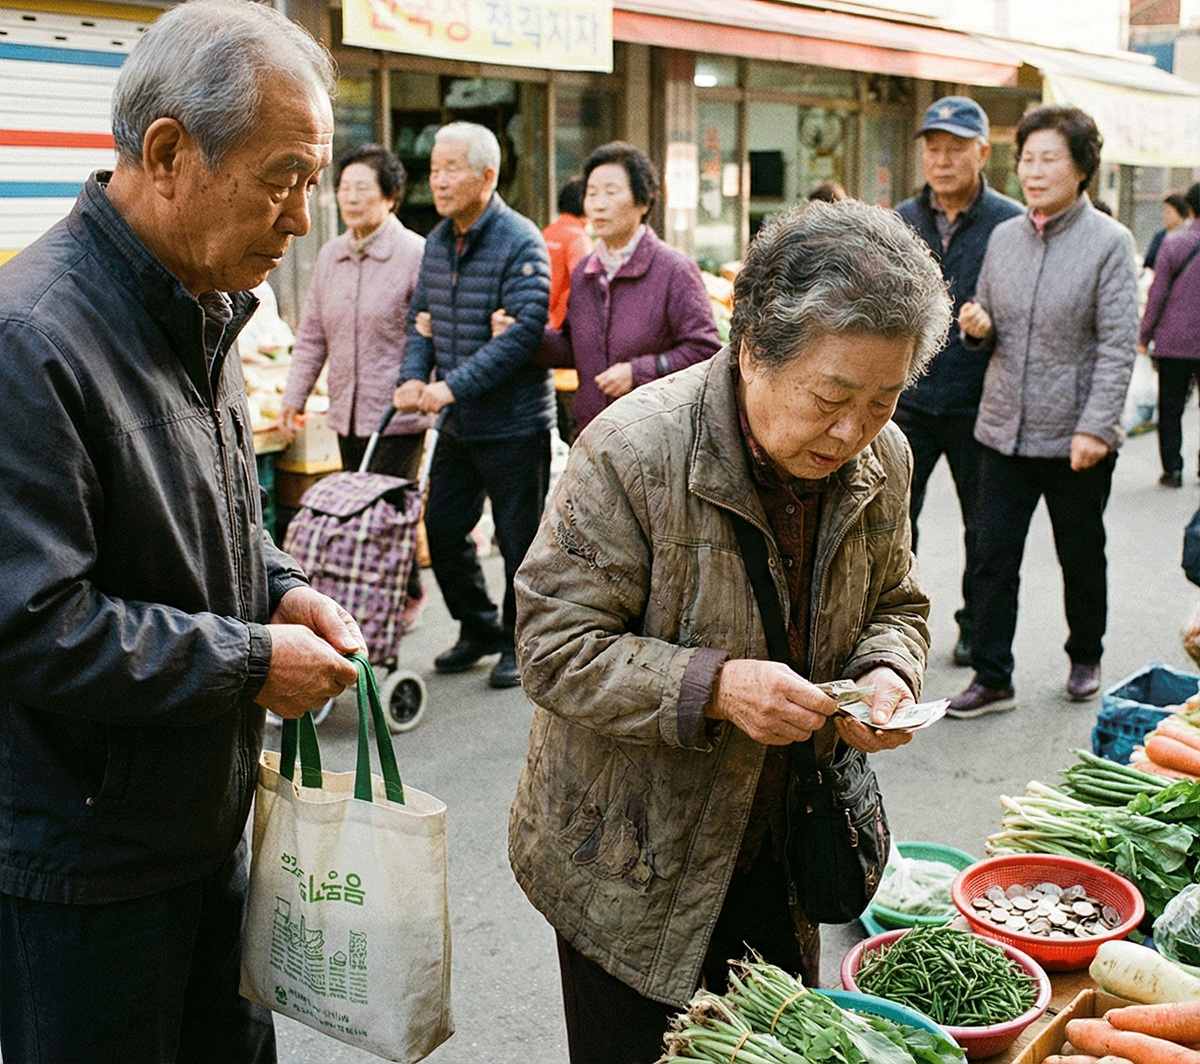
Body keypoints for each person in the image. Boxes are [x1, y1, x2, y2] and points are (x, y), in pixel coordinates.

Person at [0, 3, 364, 1061]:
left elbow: (210, 523)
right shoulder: (33, 339)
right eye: (284, 176)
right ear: (166, 153)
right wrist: (253, 660)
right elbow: (34, 622)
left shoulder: (194, 304)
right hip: (86, 870)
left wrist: (279, 585)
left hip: (205, 831)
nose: (302, 218)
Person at [509, 199, 952, 1064]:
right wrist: (715, 687)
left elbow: (898, 599)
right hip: (630, 861)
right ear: (751, 349)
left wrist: (887, 673)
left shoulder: (882, 458)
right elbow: (551, 650)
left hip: (786, 841)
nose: (852, 430)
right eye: (832, 397)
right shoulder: (632, 452)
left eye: (883, 399)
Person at [950, 106, 1138, 717]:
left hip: (1074, 436)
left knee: (1079, 554)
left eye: (1048, 158)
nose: (1033, 171)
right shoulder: (1004, 236)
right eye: (1026, 158)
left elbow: (1117, 345)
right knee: (992, 557)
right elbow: (987, 317)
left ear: (1081, 167)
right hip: (1002, 426)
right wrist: (977, 327)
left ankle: (1086, 655)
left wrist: (1096, 427)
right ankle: (992, 674)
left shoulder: (1110, 243)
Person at [394, 121, 553, 690]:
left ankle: (521, 643)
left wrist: (449, 386)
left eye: (450, 169)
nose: (437, 181)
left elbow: (523, 332)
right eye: (434, 170)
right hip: (459, 424)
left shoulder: (521, 240)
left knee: (520, 544)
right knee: (441, 527)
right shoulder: (437, 242)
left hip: (513, 423)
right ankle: (479, 626)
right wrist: (413, 377)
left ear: (487, 175)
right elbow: (421, 323)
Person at [894, 96, 1023, 668]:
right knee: (893, 522)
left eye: (955, 149)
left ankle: (975, 627)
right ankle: (893, 628)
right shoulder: (902, 219)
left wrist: (993, 324)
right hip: (909, 400)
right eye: (933, 149)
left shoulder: (1010, 224)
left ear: (983, 153)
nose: (942, 161)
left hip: (980, 400)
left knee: (984, 532)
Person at [280, 143, 432, 626]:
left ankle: (397, 601)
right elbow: (312, 337)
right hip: (346, 411)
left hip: (398, 415)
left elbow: (429, 335)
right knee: (361, 511)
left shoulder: (415, 255)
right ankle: (390, 593)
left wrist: (427, 390)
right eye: (344, 188)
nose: (351, 198)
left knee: (384, 511)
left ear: (390, 196)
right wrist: (293, 398)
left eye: (363, 188)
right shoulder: (331, 256)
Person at [534, 141, 721, 434]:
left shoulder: (674, 269)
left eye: (611, 192)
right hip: (592, 435)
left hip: (655, 438)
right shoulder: (586, 271)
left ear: (643, 202)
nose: (598, 203)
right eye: (592, 193)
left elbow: (706, 351)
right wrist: (525, 333)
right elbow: (575, 349)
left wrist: (638, 372)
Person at [1139, 183, 1200, 488]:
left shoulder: (1174, 244)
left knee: (1171, 407)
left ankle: (1172, 469)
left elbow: (1157, 294)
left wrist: (1144, 334)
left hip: (1175, 342)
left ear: (1189, 209)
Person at [543, 175, 592, 330]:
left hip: (538, 320)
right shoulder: (578, 238)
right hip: (559, 327)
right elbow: (584, 286)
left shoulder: (546, 232)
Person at [1143, 192, 1190, 272]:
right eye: (1164, 211)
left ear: (1180, 213)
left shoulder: (1189, 237)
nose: (1164, 215)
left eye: (1169, 212)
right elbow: (1149, 262)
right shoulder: (1160, 236)